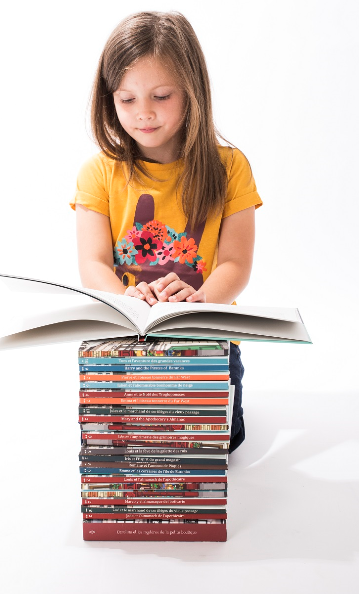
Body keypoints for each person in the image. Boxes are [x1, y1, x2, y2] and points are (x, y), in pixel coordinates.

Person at [70, 11, 262, 452]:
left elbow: (235, 263)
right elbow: (93, 264)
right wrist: (125, 296)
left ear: (192, 92)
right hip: (127, 336)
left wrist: (198, 302)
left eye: (161, 95)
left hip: (205, 332)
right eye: (127, 99)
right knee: (114, 443)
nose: (144, 114)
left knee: (220, 443)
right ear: (109, 100)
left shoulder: (230, 168)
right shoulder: (98, 173)